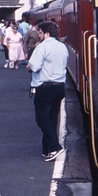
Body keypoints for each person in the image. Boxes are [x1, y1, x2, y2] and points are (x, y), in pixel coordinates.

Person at [27, 21, 68, 162]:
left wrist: (28, 66)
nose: (38, 35)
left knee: (42, 118)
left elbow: (33, 66)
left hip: (45, 86)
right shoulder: (62, 47)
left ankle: (56, 147)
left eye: (40, 33)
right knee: (51, 118)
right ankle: (47, 150)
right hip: (60, 86)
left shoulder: (43, 47)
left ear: (46, 34)